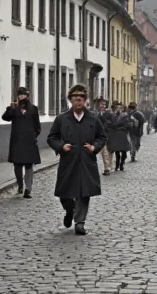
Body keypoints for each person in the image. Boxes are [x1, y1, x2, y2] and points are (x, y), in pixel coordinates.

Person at [47, 84, 108, 236]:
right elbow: (52, 137)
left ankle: (80, 223)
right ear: (71, 101)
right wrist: (61, 147)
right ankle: (70, 210)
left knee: (83, 192)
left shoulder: (93, 119)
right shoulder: (62, 119)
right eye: (75, 99)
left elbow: (102, 137)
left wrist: (95, 147)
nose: (78, 101)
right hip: (68, 161)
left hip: (86, 161)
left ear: (85, 101)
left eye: (81, 99)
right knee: (64, 193)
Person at [2, 86, 42, 198]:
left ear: (27, 95)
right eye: (20, 94)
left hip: (29, 141)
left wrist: (33, 136)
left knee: (29, 165)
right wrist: (10, 108)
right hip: (17, 141)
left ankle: (28, 189)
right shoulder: (14, 109)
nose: (21, 96)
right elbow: (5, 118)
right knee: (18, 165)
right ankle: (20, 185)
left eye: (23, 94)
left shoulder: (33, 109)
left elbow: (37, 126)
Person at [107, 102, 133, 172]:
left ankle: (122, 164)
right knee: (117, 151)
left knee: (123, 151)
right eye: (117, 108)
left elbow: (127, 125)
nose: (119, 109)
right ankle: (117, 165)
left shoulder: (125, 116)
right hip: (116, 135)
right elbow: (111, 124)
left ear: (122, 109)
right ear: (115, 109)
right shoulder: (113, 116)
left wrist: (123, 129)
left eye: (120, 108)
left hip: (122, 135)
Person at [93, 97, 114, 176]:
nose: (103, 106)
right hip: (95, 136)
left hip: (105, 135)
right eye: (102, 104)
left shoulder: (108, 114)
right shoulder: (94, 114)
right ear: (98, 105)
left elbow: (111, 123)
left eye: (105, 104)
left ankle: (107, 168)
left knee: (106, 152)